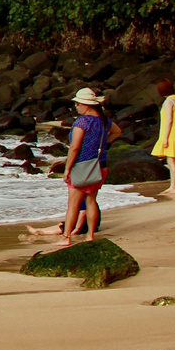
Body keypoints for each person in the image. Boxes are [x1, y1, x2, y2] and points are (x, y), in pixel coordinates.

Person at [59, 88, 119, 246]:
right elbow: (117, 131)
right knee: (91, 201)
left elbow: (74, 148)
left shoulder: (82, 122)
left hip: (81, 166)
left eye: (78, 103)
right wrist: (104, 144)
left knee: (73, 204)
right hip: (100, 165)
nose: (76, 107)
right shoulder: (104, 121)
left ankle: (66, 238)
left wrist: (67, 168)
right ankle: (90, 235)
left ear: (86, 105)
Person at [150, 79, 175, 197]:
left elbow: (169, 120)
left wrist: (165, 138)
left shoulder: (168, 101)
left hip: (171, 133)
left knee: (171, 161)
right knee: (171, 160)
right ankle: (173, 185)